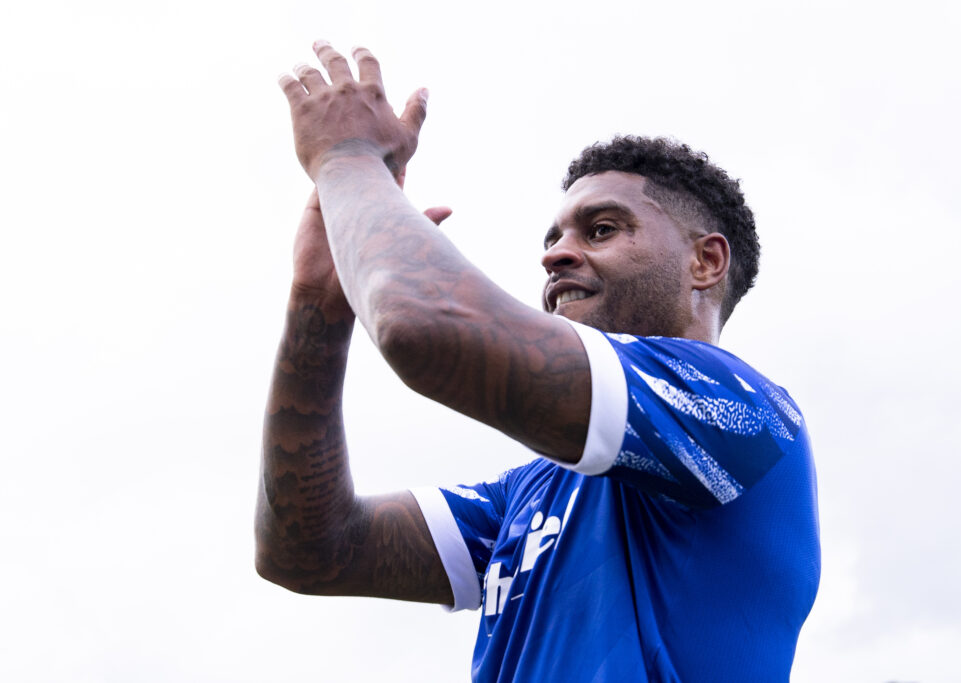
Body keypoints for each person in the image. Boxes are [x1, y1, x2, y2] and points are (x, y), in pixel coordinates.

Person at [256, 41, 820, 682]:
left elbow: (425, 326)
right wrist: (317, 309)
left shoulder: (734, 407)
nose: (556, 254)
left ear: (705, 262)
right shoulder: (528, 494)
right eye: (552, 239)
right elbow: (307, 550)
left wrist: (349, 158)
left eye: (602, 229)